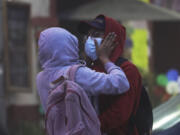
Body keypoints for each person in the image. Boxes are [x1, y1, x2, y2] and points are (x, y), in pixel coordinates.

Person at [36, 27, 130, 115]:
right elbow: (121, 83)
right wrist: (105, 59)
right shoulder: (77, 74)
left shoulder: (40, 77)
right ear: (70, 45)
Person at [78, 15, 142, 135]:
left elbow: (120, 113)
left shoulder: (127, 70)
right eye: (88, 35)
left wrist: (88, 128)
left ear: (113, 40)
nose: (89, 39)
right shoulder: (89, 67)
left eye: (96, 34)